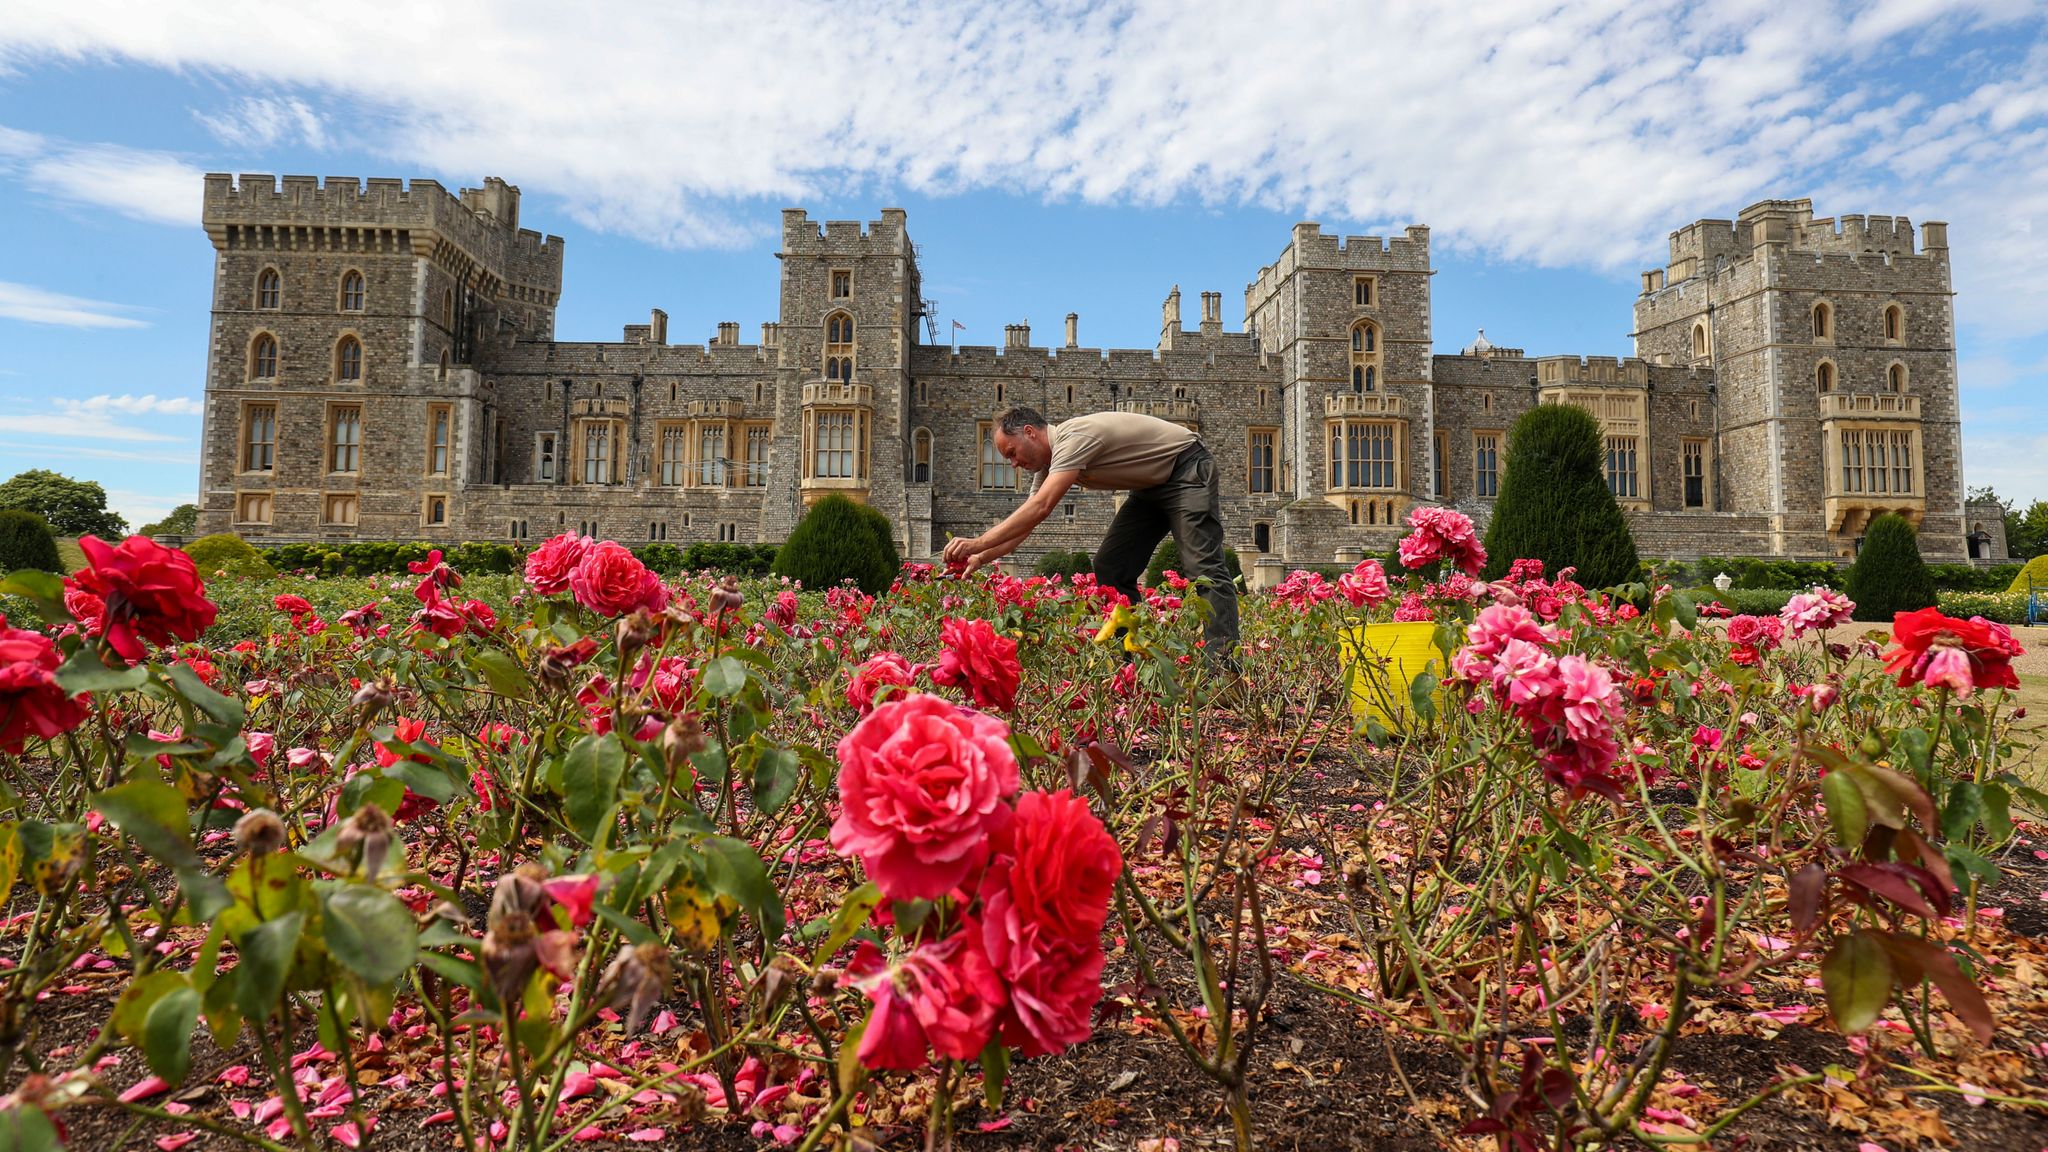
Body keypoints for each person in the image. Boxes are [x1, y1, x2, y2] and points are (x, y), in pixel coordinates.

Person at [941, 406, 1240, 666]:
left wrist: (977, 541)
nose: (1014, 464)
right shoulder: (1050, 465)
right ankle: (1129, 661)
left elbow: (1041, 507)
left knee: (1203, 569)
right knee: (1111, 568)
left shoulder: (1074, 438)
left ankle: (1224, 669)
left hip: (1186, 469)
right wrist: (980, 557)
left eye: (1012, 453)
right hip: (1151, 486)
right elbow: (1027, 522)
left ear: (1029, 433)